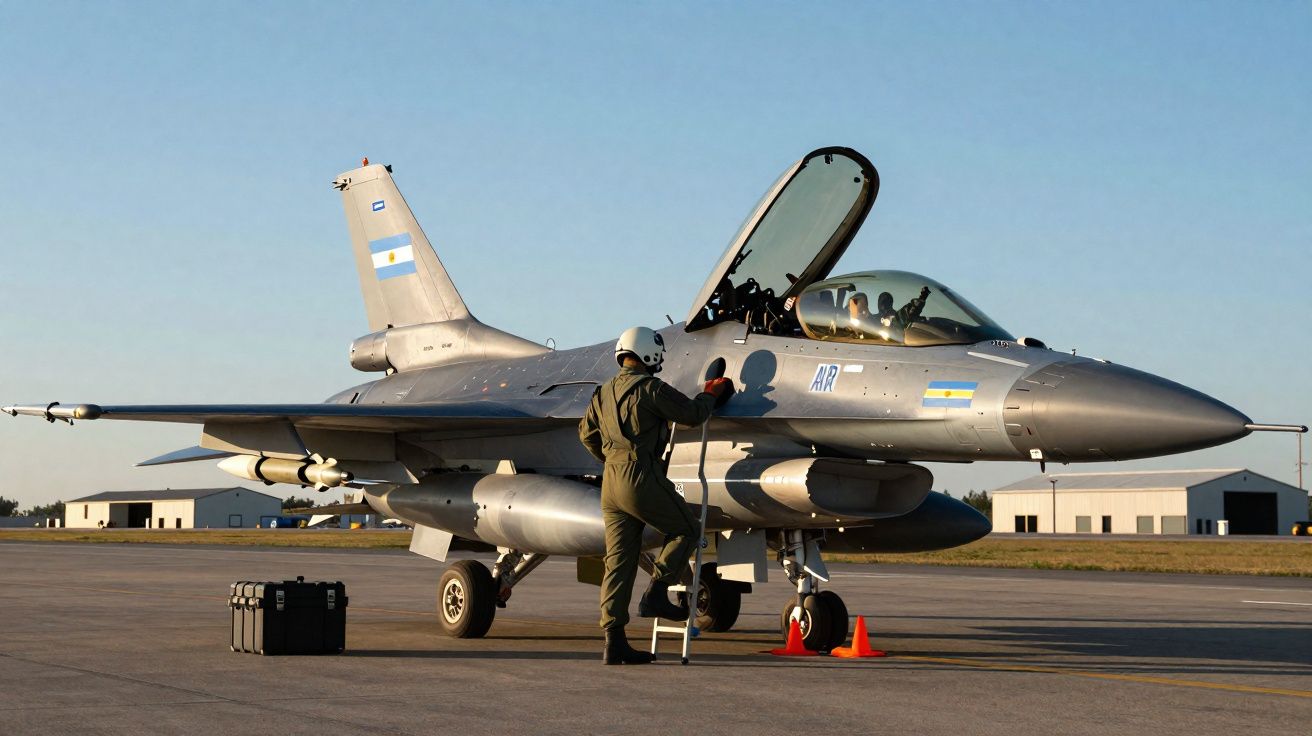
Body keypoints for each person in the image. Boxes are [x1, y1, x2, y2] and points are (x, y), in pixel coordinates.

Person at [578, 326, 734, 665]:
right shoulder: (650, 388)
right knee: (688, 529)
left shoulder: (602, 393)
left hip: (611, 482)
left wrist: (612, 459)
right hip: (640, 476)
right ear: (649, 355)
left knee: (618, 563)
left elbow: (586, 436)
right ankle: (657, 593)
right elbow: (693, 415)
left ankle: (614, 642)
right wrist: (711, 394)